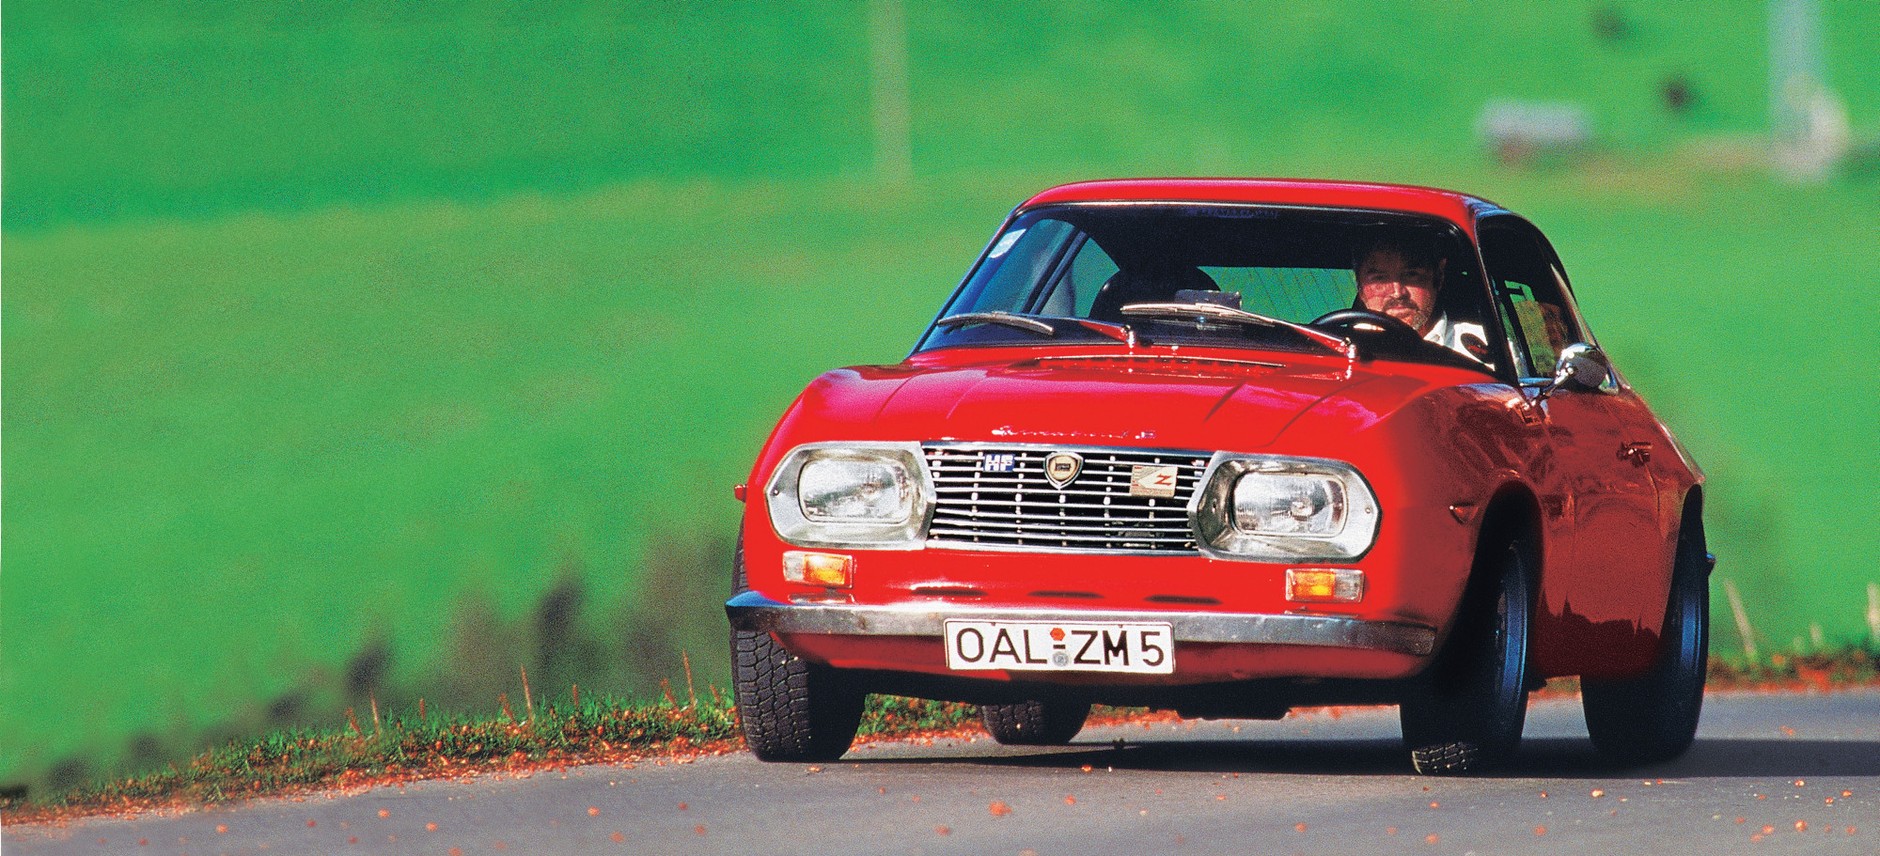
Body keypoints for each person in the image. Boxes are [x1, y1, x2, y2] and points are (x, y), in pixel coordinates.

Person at [1353, 233, 1488, 361]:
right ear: (1359, 285)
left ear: (1439, 277)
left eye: (1411, 275)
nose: (1397, 293)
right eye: (1379, 278)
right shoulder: (1339, 347)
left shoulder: (1488, 351)